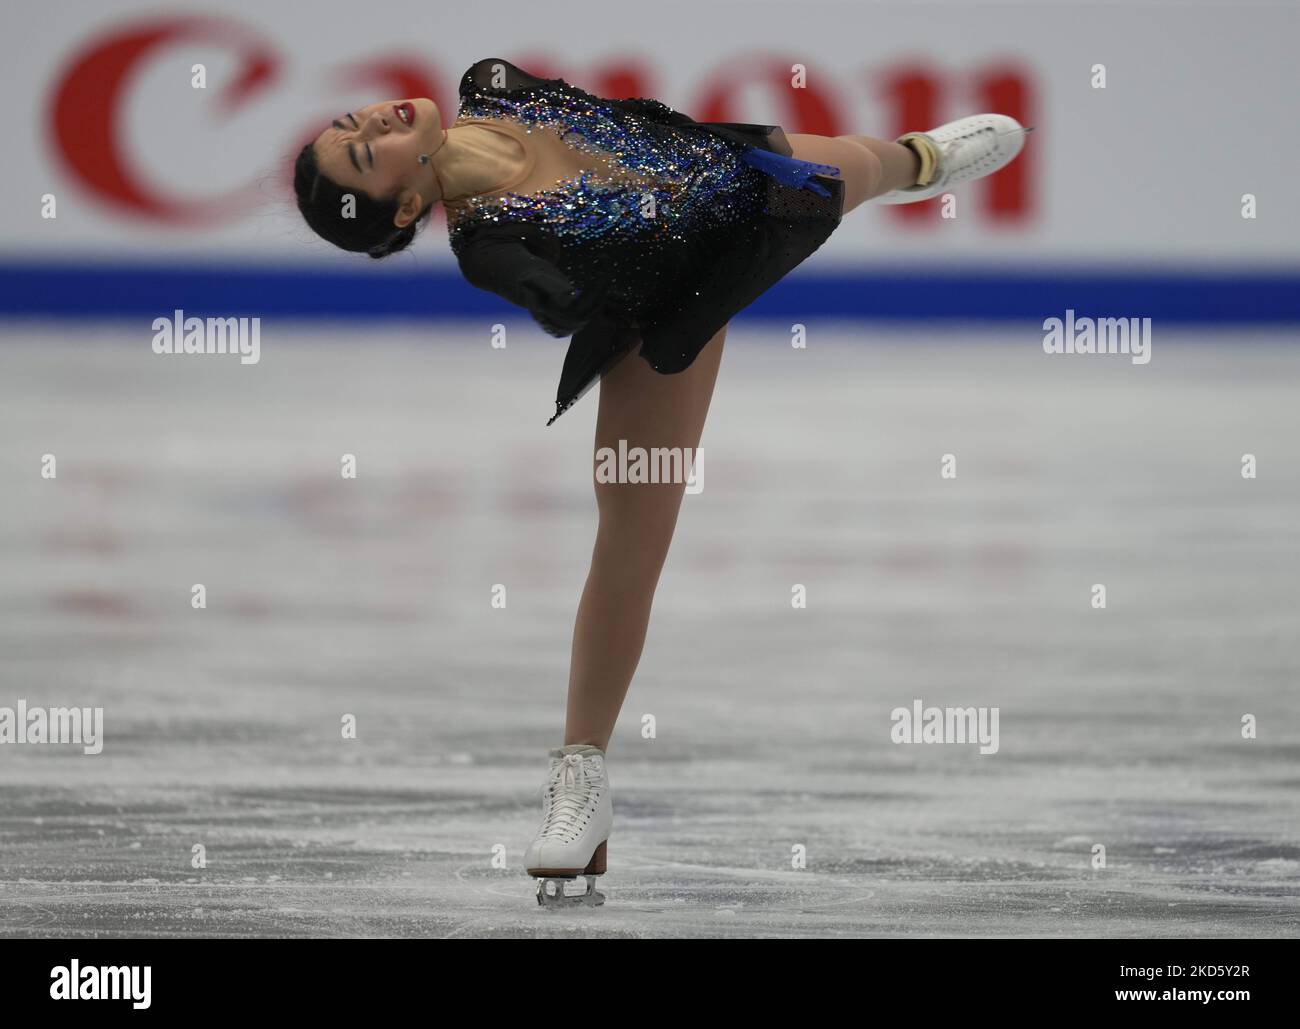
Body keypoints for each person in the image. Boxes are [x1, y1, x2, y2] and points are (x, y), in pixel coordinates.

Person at [294, 56, 1027, 906]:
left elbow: (630, 118)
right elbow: (548, 297)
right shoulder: (487, 240)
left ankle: (921, 160)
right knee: (632, 534)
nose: (374, 122)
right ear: (409, 205)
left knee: (859, 168)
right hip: (667, 306)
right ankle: (581, 783)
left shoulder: (491, 83)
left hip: (741, 177)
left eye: (356, 121)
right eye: (362, 152)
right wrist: (555, 297)